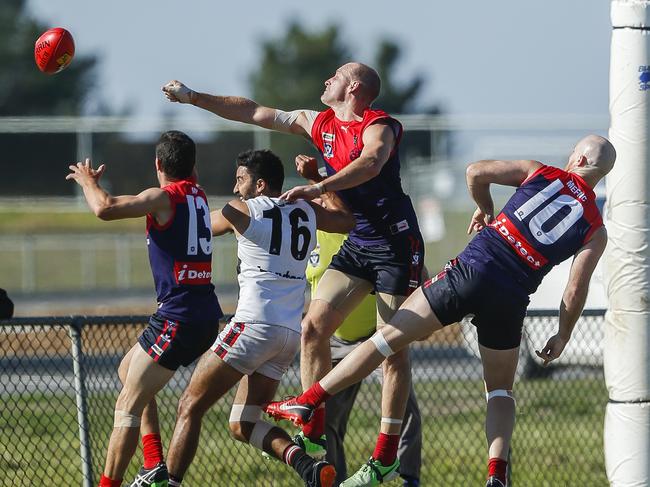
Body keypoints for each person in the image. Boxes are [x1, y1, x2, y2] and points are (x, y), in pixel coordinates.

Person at [265, 135, 617, 487]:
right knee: (499, 392)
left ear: (581, 159)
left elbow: (475, 171)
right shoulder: (596, 229)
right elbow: (575, 289)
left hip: (470, 272)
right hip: (511, 297)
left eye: (575, 150)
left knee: (385, 340)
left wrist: (485, 207)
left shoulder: (540, 172)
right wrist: (563, 333)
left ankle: (309, 400)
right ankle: (497, 474)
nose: (570, 153)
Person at [162, 63, 425, 484]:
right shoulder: (315, 122)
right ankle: (314, 431)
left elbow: (372, 163)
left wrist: (319, 186)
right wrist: (195, 98)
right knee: (312, 328)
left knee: (392, 349)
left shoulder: (380, 126)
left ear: (353, 88)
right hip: (361, 241)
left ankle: (386, 455)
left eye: (335, 75)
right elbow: (252, 112)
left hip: (396, 244)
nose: (326, 79)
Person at [151, 149, 355, 487]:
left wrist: (167, 195)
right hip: (288, 336)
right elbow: (347, 220)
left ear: (260, 184)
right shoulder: (305, 209)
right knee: (243, 422)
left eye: (240, 179)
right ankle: (309, 468)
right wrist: (317, 181)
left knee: (189, 405)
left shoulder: (243, 210)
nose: (235, 188)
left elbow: (195, 221)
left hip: (252, 327)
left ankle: (170, 483)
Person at [66, 131, 224, 487]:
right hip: (199, 314)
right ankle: (153, 462)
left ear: (157, 165)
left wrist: (88, 182)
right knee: (128, 372)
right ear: (193, 167)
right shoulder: (197, 195)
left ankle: (112, 483)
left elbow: (103, 208)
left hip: (178, 318)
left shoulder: (162, 197)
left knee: (127, 406)